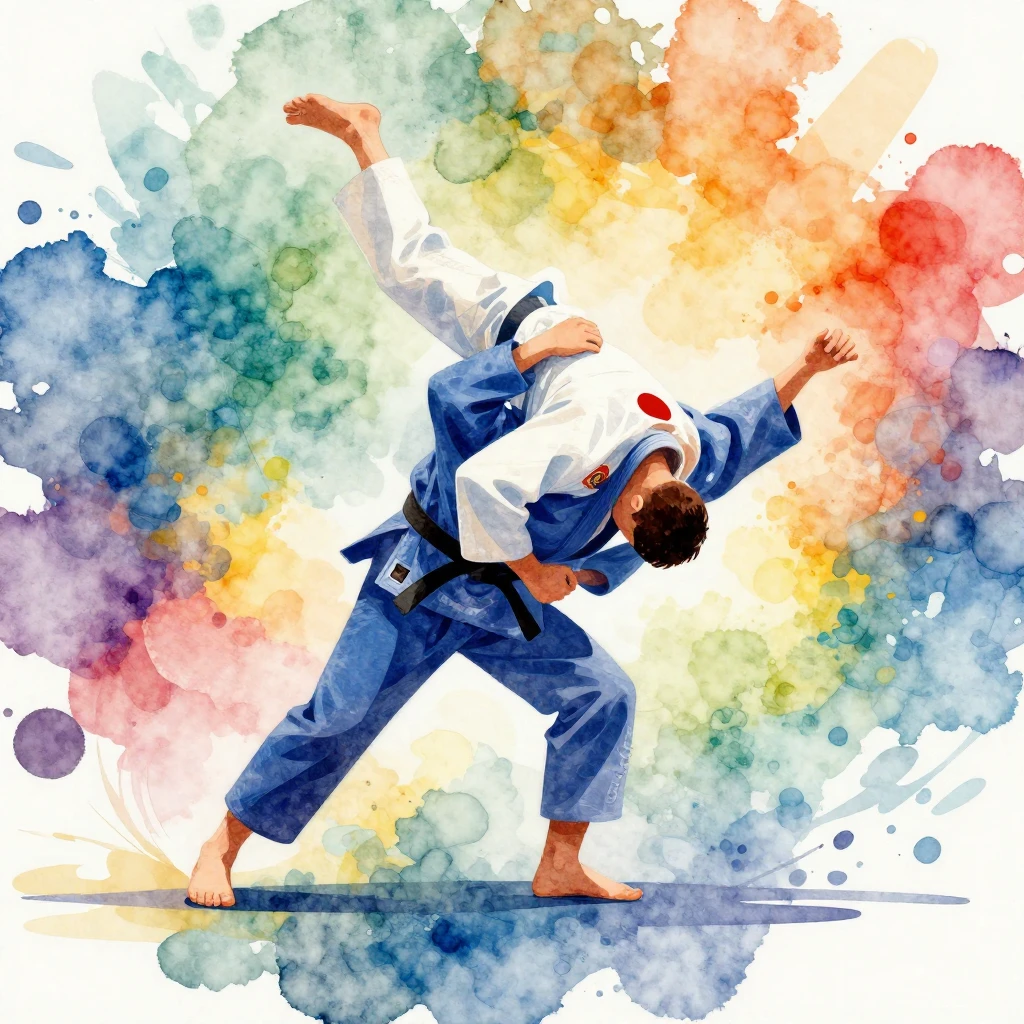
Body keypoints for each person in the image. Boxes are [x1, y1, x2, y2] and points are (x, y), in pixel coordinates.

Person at [186, 96, 858, 908]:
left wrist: (806, 369)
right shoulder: (582, 435)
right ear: (632, 506)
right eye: (621, 527)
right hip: (439, 540)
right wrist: (531, 361)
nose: (612, 533)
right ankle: (221, 846)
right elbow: (477, 474)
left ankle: (561, 863)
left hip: (501, 601)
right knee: (339, 714)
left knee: (601, 693)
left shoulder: (680, 459)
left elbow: (734, 437)